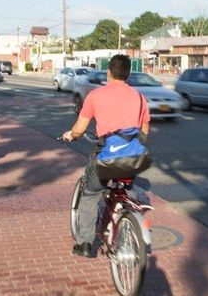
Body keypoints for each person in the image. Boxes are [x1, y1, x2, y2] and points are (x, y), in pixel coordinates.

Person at [62, 54, 151, 258]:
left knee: (91, 194)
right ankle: (128, 215)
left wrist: (70, 135)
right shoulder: (139, 97)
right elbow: (145, 131)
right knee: (126, 187)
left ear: (109, 72)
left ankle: (84, 243)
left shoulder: (96, 95)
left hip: (107, 156)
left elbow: (79, 128)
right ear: (128, 74)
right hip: (134, 157)